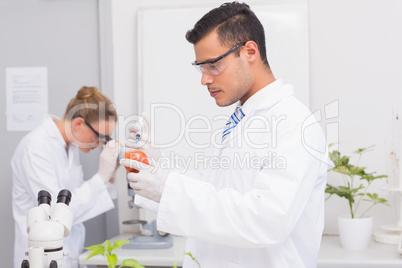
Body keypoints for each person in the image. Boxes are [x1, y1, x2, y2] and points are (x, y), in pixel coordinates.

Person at [120, 2, 327, 268]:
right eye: (200, 67)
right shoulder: (243, 120)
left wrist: (168, 188)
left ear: (249, 51)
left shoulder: (295, 125)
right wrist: (158, 169)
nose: (204, 79)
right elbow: (217, 189)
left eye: (213, 65)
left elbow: (266, 221)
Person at [12, 86, 120, 268]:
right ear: (78, 124)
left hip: (67, 253)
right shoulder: (36, 148)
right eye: (99, 136)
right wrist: (100, 178)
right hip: (40, 256)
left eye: (106, 138)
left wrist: (109, 176)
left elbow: (73, 197)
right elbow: (56, 213)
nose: (101, 143)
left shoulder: (70, 146)